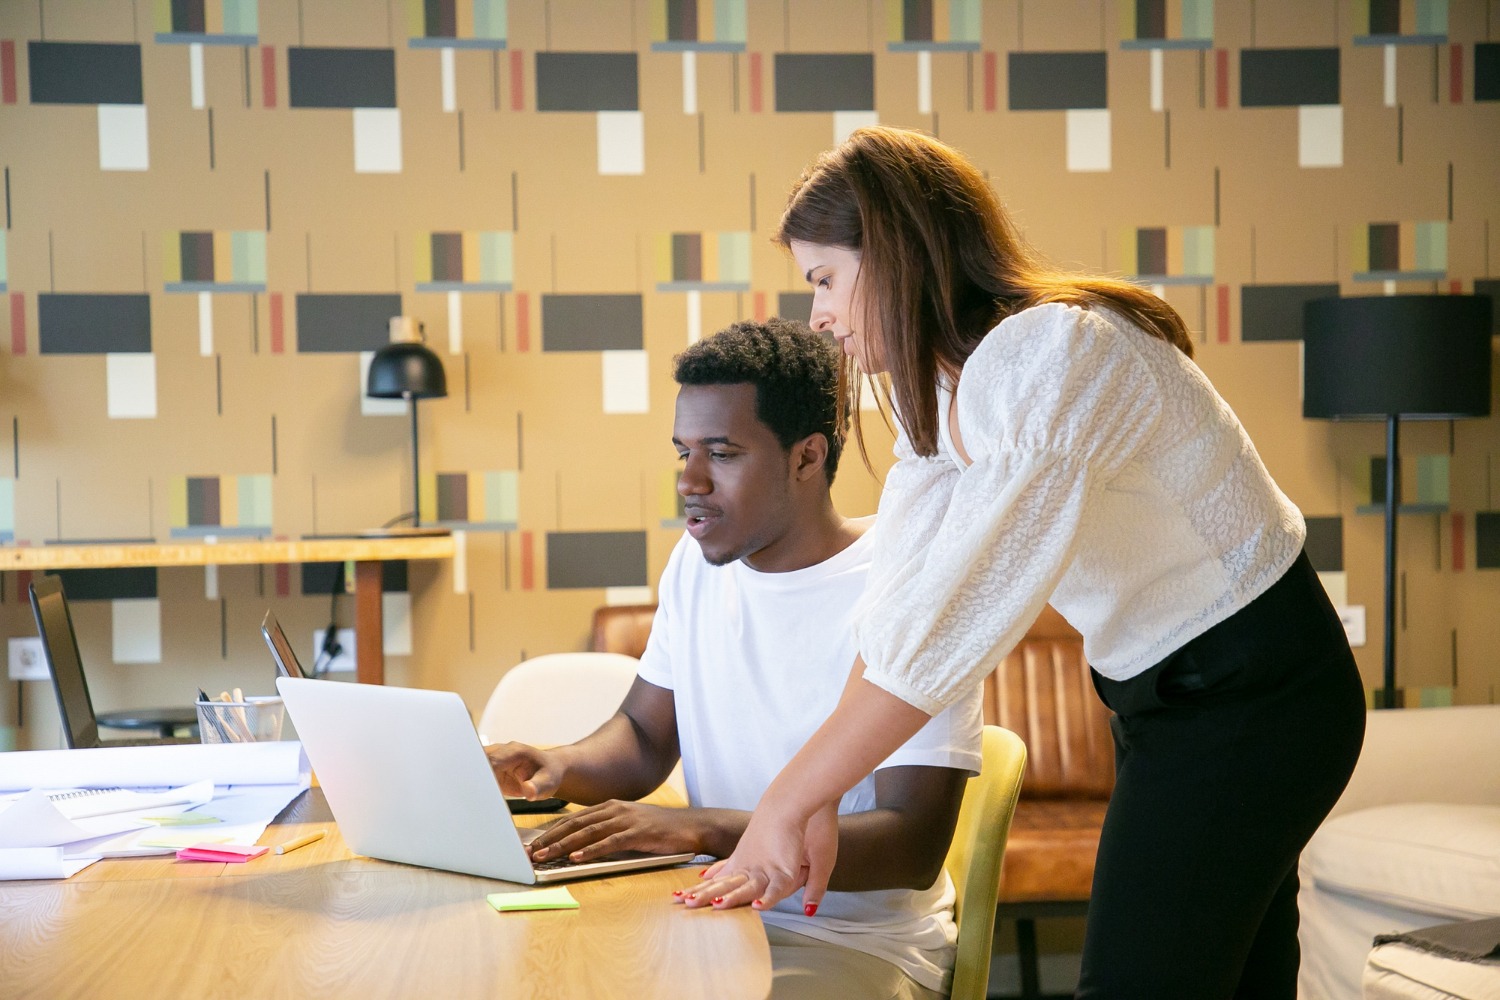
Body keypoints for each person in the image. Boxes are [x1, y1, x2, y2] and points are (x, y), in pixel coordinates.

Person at [685, 126, 1367, 1000]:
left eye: (825, 279)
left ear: (893, 257)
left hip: (1256, 693)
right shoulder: (941, 393)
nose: (817, 315)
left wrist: (787, 802)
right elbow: (903, 610)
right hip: (1172, 701)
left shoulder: (1052, 355)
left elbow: (962, 619)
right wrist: (819, 790)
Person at [486, 317, 984, 1000]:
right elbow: (642, 735)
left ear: (807, 458)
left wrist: (698, 830)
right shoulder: (696, 565)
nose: (690, 480)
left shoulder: (910, 586)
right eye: (682, 451)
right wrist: (556, 764)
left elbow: (912, 844)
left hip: (845, 941)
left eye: (721, 453)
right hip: (710, 914)